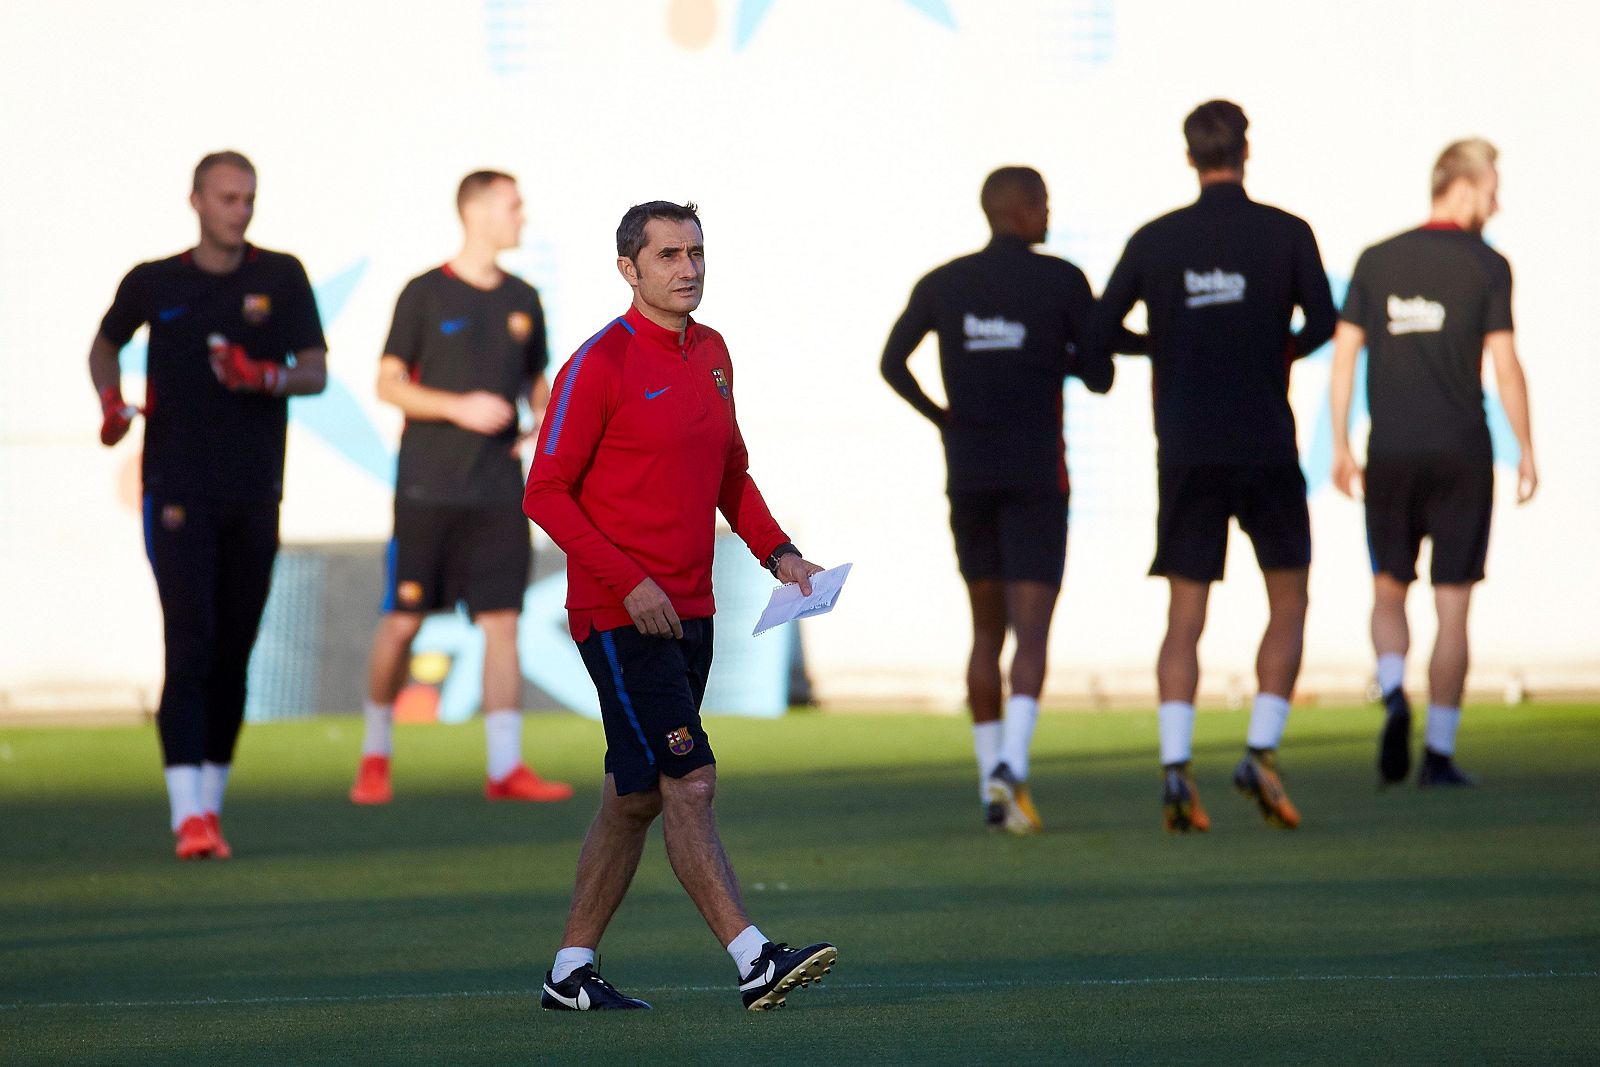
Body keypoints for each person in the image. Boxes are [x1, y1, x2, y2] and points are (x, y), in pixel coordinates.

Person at [523, 201, 835, 1012]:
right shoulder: (599, 363)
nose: (688, 268)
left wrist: (779, 552)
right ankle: (754, 956)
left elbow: (731, 471)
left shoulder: (714, 353)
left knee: (632, 795)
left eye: (696, 251)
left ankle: (569, 971)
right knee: (688, 780)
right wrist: (628, 580)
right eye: (669, 255)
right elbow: (544, 492)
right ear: (629, 269)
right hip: (622, 615)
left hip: (692, 611)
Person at [1090, 101, 1336, 833]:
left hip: (1188, 446)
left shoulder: (1157, 239)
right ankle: (1260, 748)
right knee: (1288, 598)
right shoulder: (1288, 232)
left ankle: (1174, 767)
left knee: (1185, 613)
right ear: (1245, 149)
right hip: (1265, 439)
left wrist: (1167, 342)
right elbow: (1323, 320)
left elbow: (1102, 330)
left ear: (1189, 154)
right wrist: (1271, 345)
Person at [880, 166, 1138, 834]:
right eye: (1044, 203)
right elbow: (1101, 373)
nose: (1049, 213)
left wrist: (942, 416)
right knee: (1032, 631)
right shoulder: (1060, 280)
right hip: (1036, 480)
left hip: (969, 474)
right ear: (1019, 211)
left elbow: (891, 361)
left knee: (985, 631)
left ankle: (986, 778)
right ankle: (1011, 768)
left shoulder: (943, 282)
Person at [88, 150, 328, 859]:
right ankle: (186, 812)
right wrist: (110, 400)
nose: (240, 209)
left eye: (248, 197)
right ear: (196, 200)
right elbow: (103, 347)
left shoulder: (279, 276)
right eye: (227, 197)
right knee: (189, 639)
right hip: (176, 490)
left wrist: (264, 375)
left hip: (255, 490)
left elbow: (314, 370)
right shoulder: (156, 281)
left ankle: (209, 809)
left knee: (235, 650)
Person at [350, 171, 571, 806]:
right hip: (428, 488)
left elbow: (536, 382)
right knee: (403, 621)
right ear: (476, 212)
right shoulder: (424, 293)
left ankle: (505, 768)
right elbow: (388, 383)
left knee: (503, 622)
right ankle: (374, 754)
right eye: (513, 205)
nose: (522, 215)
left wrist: (546, 423)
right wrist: (458, 407)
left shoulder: (524, 297)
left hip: (500, 488)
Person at [1330, 139, 1536, 788]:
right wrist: (1527, 447)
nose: (1498, 201)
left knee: (1388, 588)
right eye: (1493, 187)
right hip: (1462, 452)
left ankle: (1393, 691)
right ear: (1465, 186)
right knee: (1453, 605)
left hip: (1390, 450)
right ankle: (1439, 755)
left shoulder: (1377, 259)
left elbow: (1343, 358)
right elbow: (1505, 364)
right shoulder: (1489, 265)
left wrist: (1339, 443)